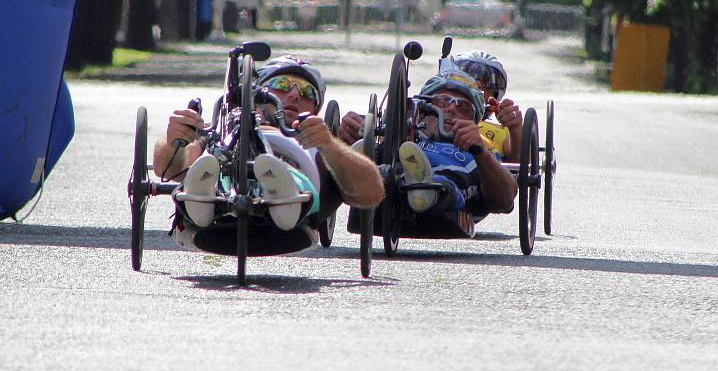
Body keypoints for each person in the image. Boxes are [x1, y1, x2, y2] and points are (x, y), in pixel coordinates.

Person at [153, 55, 384, 249]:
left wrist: (331, 146)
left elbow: (373, 193)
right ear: (258, 94)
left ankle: (284, 196)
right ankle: (202, 198)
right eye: (282, 85)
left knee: (305, 161)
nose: (294, 95)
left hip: (296, 198)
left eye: (307, 92)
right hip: (217, 190)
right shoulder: (222, 129)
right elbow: (168, 169)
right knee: (207, 159)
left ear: (316, 107)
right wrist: (173, 140)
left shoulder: (320, 143)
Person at [339, 68, 517, 219]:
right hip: (395, 168)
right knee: (383, 156)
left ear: (475, 120)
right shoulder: (404, 136)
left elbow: (506, 200)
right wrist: (354, 133)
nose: (451, 108)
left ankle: (425, 189)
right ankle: (359, 165)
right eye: (442, 101)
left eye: (463, 107)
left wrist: (480, 152)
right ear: (422, 110)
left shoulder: (479, 151)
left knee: (446, 183)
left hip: (446, 185)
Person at [453, 50, 523, 163]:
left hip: (482, 173)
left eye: (487, 82)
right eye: (467, 77)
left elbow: (521, 163)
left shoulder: (504, 131)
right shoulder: (433, 118)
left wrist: (515, 129)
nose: (476, 85)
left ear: (495, 94)